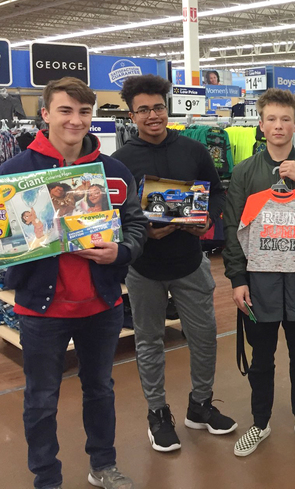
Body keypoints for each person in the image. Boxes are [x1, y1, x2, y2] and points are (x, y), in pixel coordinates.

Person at [0, 76, 148, 489]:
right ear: (44, 114)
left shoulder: (114, 171)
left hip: (102, 304)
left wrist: (120, 252)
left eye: (84, 112)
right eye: (65, 110)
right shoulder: (11, 172)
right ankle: (46, 477)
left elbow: (135, 225)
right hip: (40, 308)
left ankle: (103, 465)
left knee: (100, 389)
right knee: (41, 399)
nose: (76, 120)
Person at [112, 74, 235, 454]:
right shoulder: (119, 161)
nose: (153, 115)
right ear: (132, 115)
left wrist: (205, 222)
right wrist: (140, 233)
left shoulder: (193, 150)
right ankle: (158, 413)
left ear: (168, 109)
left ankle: (200, 405)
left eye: (159, 107)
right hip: (143, 267)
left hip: (189, 261)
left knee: (204, 337)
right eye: (144, 110)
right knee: (148, 341)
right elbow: (110, 215)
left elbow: (215, 193)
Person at [223, 88, 295, 457]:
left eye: (285, 119)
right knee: (261, 358)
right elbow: (231, 228)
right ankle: (259, 423)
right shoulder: (244, 171)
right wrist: (237, 279)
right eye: (271, 119)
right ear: (260, 124)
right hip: (259, 282)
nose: (279, 126)